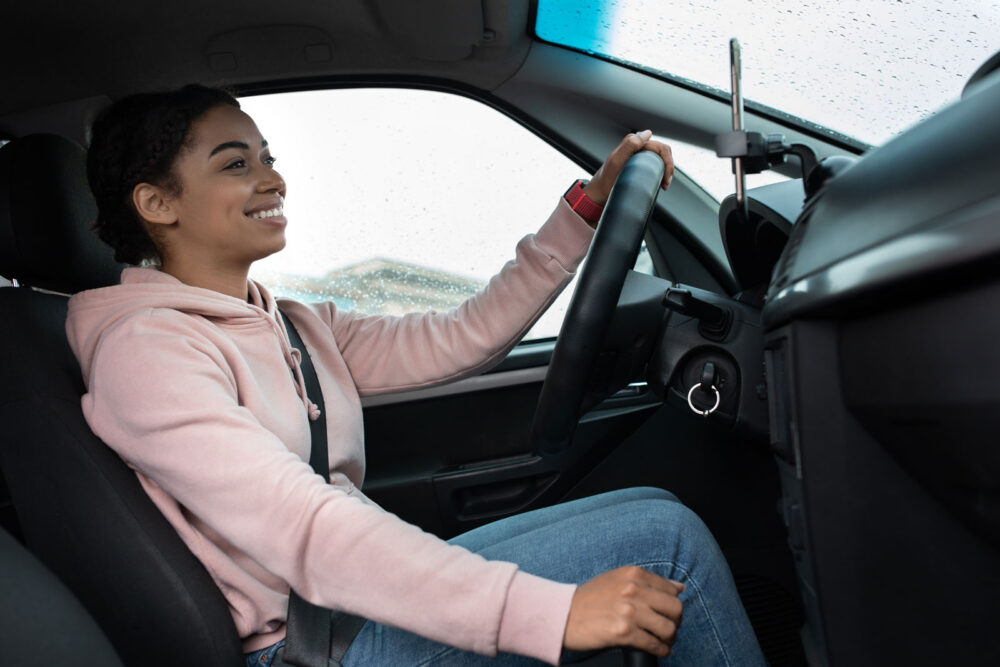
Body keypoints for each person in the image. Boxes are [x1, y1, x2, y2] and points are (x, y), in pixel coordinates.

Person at [67, 85, 766, 666]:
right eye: (235, 164)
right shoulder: (146, 352)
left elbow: (461, 334)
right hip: (307, 647)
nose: (272, 178)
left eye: (268, 157)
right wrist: (546, 613)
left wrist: (584, 210)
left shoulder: (290, 323)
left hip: (346, 609)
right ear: (157, 204)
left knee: (655, 509)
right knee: (668, 549)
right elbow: (303, 524)